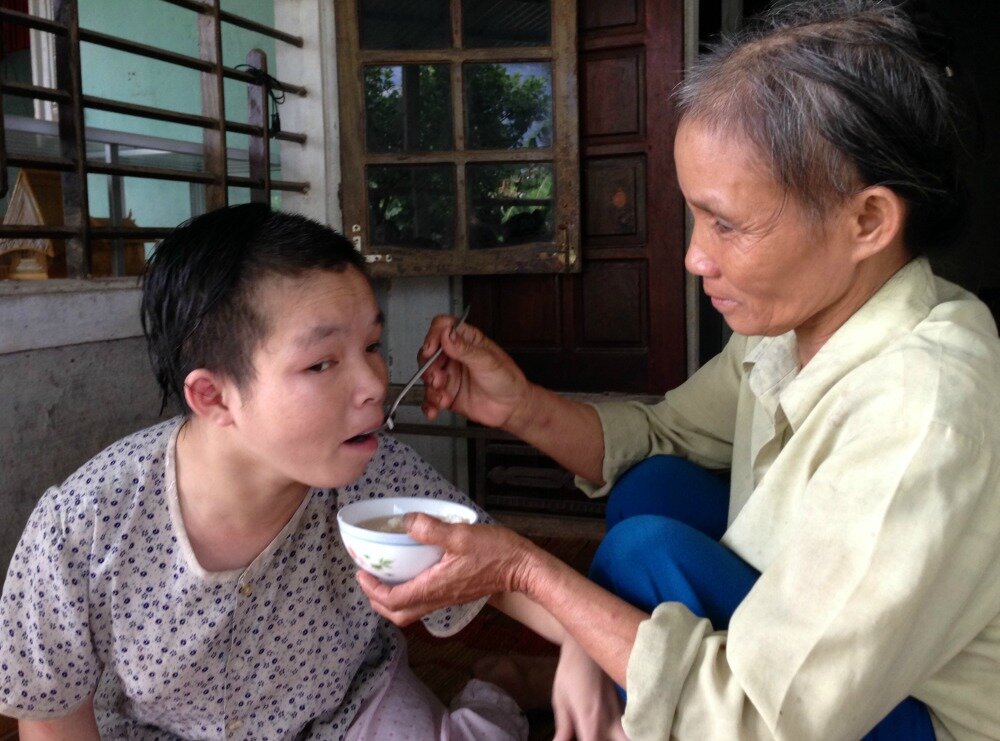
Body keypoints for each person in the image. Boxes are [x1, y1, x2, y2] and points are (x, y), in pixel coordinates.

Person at [357, 2, 1000, 739]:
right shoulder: (788, 333)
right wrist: (517, 406)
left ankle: (615, 706)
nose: (696, 257)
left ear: (867, 222)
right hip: (806, 662)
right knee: (655, 488)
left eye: (727, 223)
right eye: (697, 218)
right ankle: (612, 692)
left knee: (640, 552)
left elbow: (764, 719)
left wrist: (525, 574)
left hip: (899, 716)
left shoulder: (922, 414)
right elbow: (661, 436)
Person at [0, 203, 562, 739]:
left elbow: (497, 566)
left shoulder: (374, 476)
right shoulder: (82, 528)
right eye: (321, 363)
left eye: (371, 344)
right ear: (213, 396)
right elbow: (52, 720)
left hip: (348, 710)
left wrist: (581, 647)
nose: (374, 383)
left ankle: (501, 685)